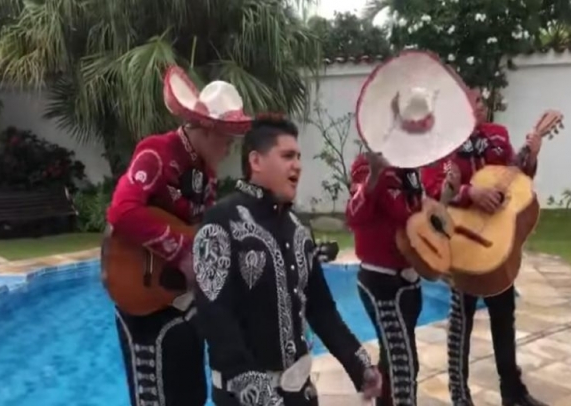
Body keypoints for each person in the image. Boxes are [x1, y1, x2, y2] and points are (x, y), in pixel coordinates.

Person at [192, 115, 382, 406]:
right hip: (242, 398)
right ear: (256, 161)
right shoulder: (221, 221)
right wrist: (255, 389)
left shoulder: (296, 228)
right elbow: (214, 315)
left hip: (299, 393)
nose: (298, 165)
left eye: (299, 157)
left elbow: (322, 310)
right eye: (287, 156)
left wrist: (360, 365)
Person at [106, 65, 253, 406]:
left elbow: (204, 233)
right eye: (227, 139)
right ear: (206, 128)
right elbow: (122, 211)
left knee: (189, 394)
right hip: (143, 295)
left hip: (182, 302)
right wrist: (183, 251)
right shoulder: (157, 152)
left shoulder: (207, 174)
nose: (231, 148)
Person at [345, 50, 477, 406]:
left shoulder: (412, 172)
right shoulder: (366, 166)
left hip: (411, 282)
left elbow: (422, 220)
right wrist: (373, 177)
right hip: (380, 282)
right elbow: (353, 214)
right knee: (404, 368)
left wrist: (447, 195)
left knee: (396, 360)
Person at [422, 87, 546, 406]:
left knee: (504, 314)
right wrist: (469, 193)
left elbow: (514, 177)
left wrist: (531, 154)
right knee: (460, 322)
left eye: (479, 101)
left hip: (495, 242)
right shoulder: (442, 142)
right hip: (461, 238)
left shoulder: (498, 135)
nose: (477, 107)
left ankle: (512, 392)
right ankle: (459, 395)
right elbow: (433, 187)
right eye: (469, 101)